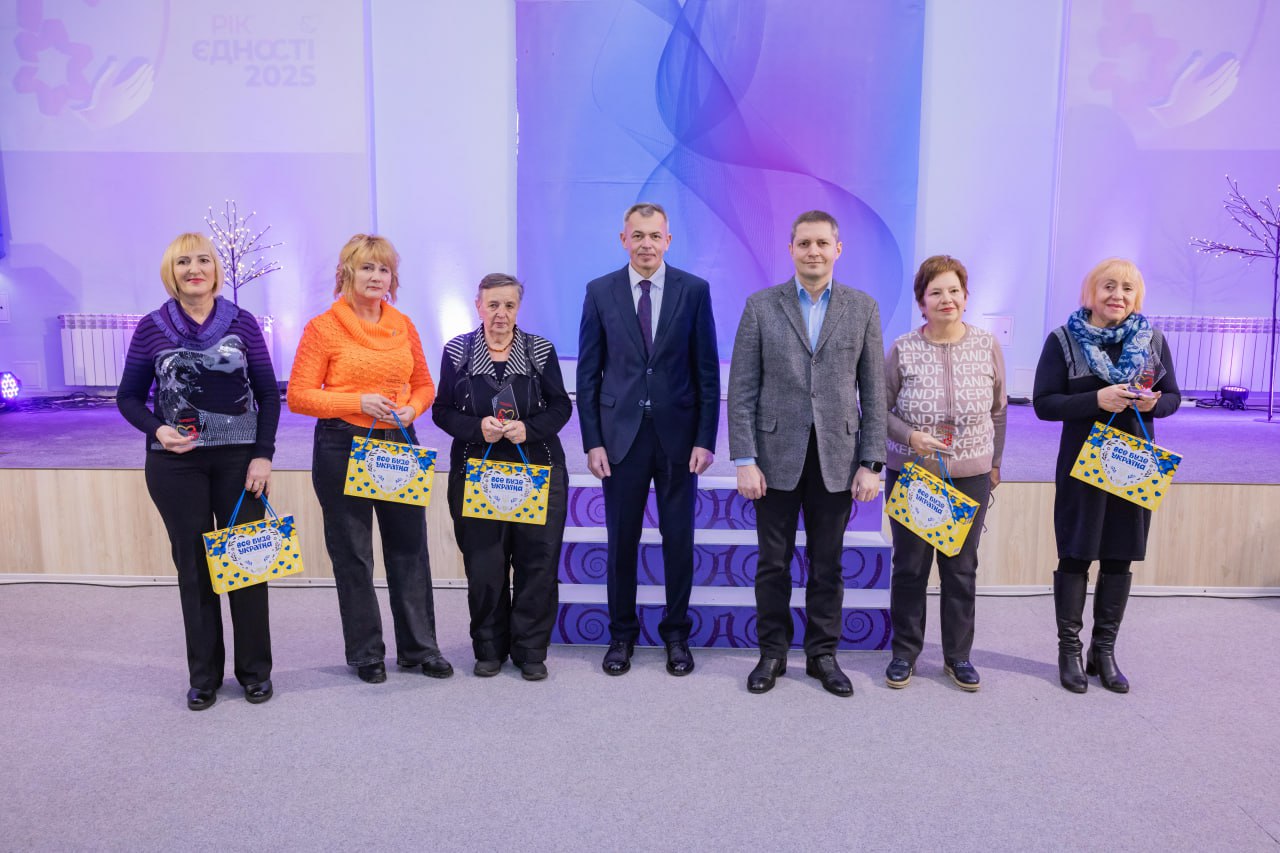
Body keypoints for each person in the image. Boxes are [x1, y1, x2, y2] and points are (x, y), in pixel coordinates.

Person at [727, 210, 887, 697]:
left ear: (838, 249)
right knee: (772, 564)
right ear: (791, 250)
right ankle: (772, 653)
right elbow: (742, 389)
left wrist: (871, 462)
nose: (813, 251)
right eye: (804, 243)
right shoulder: (761, 306)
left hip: (838, 458)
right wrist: (744, 459)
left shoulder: (863, 308)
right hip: (774, 457)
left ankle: (822, 655)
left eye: (821, 243)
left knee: (828, 565)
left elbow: (873, 392)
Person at [117, 232, 280, 710]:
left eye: (203, 260)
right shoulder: (150, 327)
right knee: (194, 570)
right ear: (171, 272)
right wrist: (157, 429)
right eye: (183, 262)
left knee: (245, 564)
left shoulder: (243, 322)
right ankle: (204, 676)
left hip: (240, 462)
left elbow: (268, 394)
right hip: (175, 465)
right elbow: (128, 397)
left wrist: (263, 454)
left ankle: (254, 672)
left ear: (215, 269)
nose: (194, 269)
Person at [287, 234, 452, 684]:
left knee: (409, 548)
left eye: (384, 269)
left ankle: (420, 648)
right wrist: (356, 400)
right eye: (367, 267)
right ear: (346, 273)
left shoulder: (403, 325)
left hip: (398, 440)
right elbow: (299, 395)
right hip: (342, 444)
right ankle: (366, 654)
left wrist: (412, 408)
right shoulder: (323, 328)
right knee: (354, 555)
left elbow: (424, 385)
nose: (376, 276)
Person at [576, 202, 720, 677]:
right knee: (622, 542)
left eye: (655, 235)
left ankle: (676, 635)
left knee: (678, 541)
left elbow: (706, 371)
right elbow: (588, 374)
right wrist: (593, 442)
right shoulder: (600, 291)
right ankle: (622, 635)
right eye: (637, 235)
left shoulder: (694, 291)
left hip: (679, 439)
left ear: (668, 241)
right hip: (620, 440)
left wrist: (705, 438)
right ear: (624, 240)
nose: (646, 244)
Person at [1034, 257, 1179, 693]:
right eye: (1109, 286)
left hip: (1134, 465)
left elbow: (1173, 397)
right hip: (1082, 465)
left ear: (1137, 297)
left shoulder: (1153, 340)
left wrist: (1156, 403)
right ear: (1091, 293)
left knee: (1120, 556)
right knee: (1076, 554)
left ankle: (1104, 651)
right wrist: (1096, 399)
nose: (1118, 295)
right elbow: (1044, 404)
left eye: (1127, 288)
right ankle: (1069, 652)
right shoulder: (1063, 339)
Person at [433, 274, 572, 680]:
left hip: (537, 471)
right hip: (477, 473)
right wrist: (477, 428)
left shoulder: (540, 350)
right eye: (493, 305)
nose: (501, 313)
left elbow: (561, 407)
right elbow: (442, 411)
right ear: (478, 306)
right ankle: (489, 648)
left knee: (537, 565)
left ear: (518, 308)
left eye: (509, 305)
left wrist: (529, 428)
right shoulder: (457, 351)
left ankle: (530, 650)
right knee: (485, 566)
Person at [883, 255, 1006, 691]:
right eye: (936, 292)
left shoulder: (987, 345)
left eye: (954, 290)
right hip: (915, 474)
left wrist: (994, 464)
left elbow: (999, 411)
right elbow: (879, 409)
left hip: (969, 474)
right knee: (910, 567)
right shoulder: (903, 348)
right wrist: (910, 436)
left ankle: (958, 657)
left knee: (960, 568)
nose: (946, 299)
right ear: (922, 302)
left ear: (966, 297)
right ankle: (904, 653)